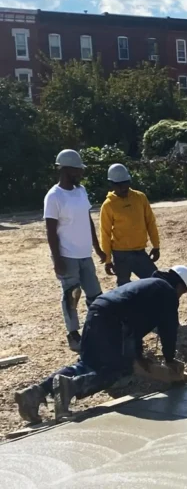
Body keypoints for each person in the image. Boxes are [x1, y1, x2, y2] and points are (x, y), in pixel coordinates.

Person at [14, 266, 187, 424]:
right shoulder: (168, 292)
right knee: (119, 369)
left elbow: (136, 321)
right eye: (182, 293)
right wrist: (170, 359)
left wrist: (138, 355)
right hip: (114, 320)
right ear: (180, 286)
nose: (179, 296)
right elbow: (168, 329)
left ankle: (34, 393)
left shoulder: (150, 285)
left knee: (87, 364)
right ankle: (72, 386)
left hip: (98, 311)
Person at [44, 149, 106, 353]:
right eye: (77, 170)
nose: (80, 173)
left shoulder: (81, 191)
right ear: (66, 169)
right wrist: (57, 259)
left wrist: (97, 248)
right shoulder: (54, 197)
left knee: (95, 295)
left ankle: (99, 328)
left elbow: (87, 220)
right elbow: (51, 231)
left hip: (85, 254)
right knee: (71, 296)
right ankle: (73, 334)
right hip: (67, 256)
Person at [100, 163, 161, 286]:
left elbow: (150, 222)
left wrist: (156, 246)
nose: (124, 187)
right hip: (120, 255)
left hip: (140, 252)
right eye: (119, 184)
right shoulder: (108, 205)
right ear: (112, 184)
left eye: (126, 183)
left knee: (156, 282)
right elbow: (105, 233)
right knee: (124, 288)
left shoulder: (140, 198)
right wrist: (107, 260)